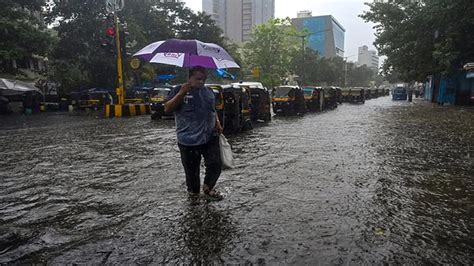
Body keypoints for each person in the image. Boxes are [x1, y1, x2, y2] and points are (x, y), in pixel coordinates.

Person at [164, 66, 224, 200]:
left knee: (215, 164)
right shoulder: (178, 90)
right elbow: (167, 108)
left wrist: (217, 122)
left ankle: (208, 188)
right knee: (192, 173)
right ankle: (194, 197)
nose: (201, 82)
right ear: (189, 78)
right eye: (198, 79)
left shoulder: (208, 92)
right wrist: (181, 93)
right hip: (188, 139)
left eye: (203, 79)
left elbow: (212, 110)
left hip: (209, 135)